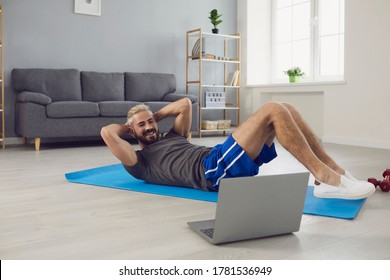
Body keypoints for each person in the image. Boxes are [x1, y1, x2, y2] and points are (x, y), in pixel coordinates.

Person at [101, 97, 375, 200]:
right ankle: (327, 180)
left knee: (285, 108)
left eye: (150, 122)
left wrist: (152, 116)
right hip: (211, 172)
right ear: (132, 132)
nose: (149, 127)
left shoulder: (173, 135)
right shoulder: (139, 161)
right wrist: (132, 126)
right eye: (142, 126)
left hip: (218, 156)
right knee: (272, 110)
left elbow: (184, 103)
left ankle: (332, 171)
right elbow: (107, 132)